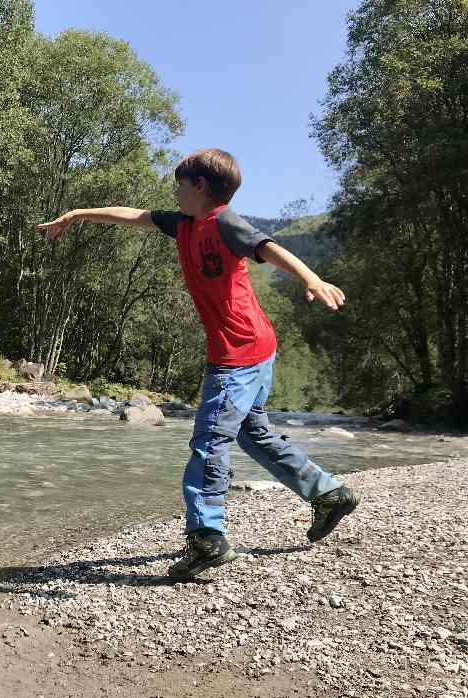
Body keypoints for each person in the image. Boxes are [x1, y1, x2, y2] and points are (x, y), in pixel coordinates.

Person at [36, 148, 358, 581]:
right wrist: (77, 214)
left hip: (239, 353)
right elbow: (132, 216)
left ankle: (207, 538)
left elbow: (269, 247)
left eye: (180, 184)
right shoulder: (182, 224)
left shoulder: (224, 221)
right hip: (255, 347)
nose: (175, 191)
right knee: (252, 432)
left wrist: (312, 280)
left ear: (200, 186)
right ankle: (329, 494)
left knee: (210, 441)